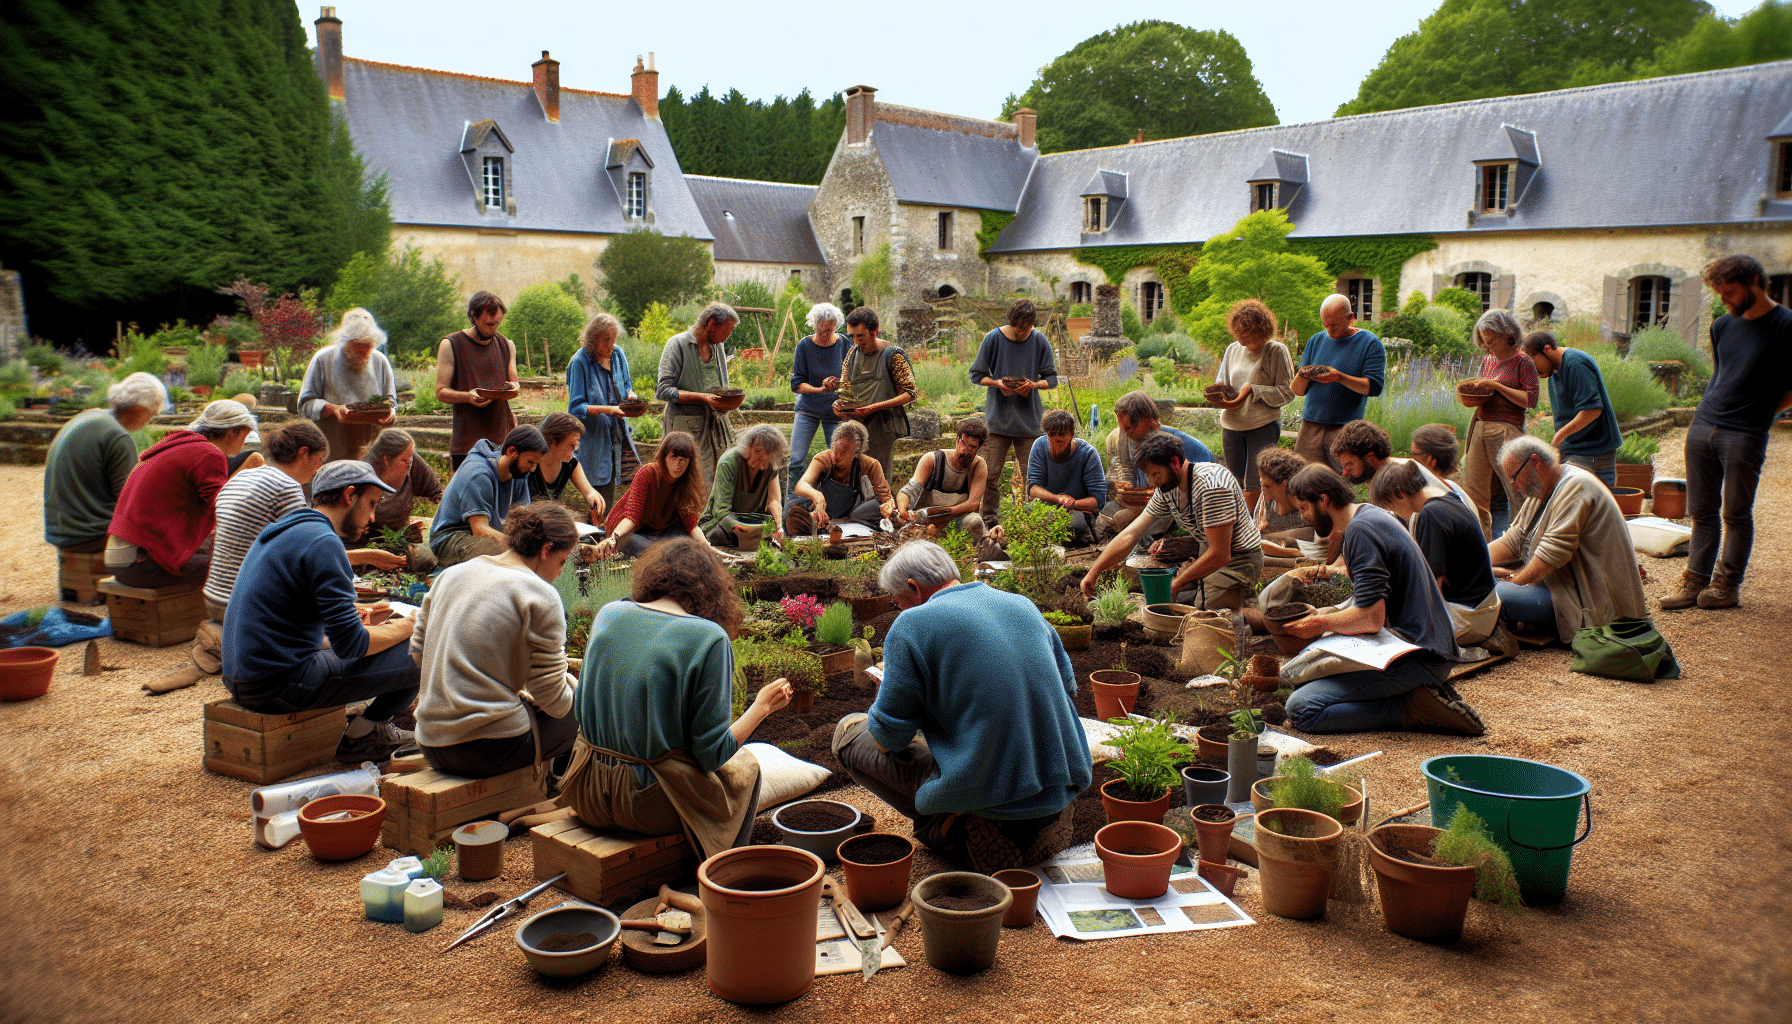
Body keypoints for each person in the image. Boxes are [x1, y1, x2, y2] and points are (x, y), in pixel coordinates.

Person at [833, 540, 1090, 872]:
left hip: (984, 789)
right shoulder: (1022, 605)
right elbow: (1067, 689)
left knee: (848, 732)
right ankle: (1037, 825)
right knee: (959, 731)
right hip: (1055, 788)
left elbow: (888, 740)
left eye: (898, 603)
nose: (899, 611)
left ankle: (952, 826)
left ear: (913, 587)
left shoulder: (911, 626)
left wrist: (890, 694)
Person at [564, 538, 792, 859]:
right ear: (712, 590)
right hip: (643, 807)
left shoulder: (609, 613)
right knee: (745, 768)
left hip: (585, 790)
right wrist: (761, 708)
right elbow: (711, 755)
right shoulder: (706, 638)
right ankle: (720, 868)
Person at [222, 460, 420, 764]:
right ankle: (365, 735)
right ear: (349, 495)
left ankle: (364, 724)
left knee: (394, 637)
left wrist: (360, 615)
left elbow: (295, 612)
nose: (372, 516)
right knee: (425, 647)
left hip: (243, 678)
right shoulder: (324, 542)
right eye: (371, 503)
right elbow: (351, 645)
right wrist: (411, 627)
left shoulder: (289, 529)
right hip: (281, 685)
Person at [1277, 465, 1484, 736]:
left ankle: (1410, 707)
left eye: (1304, 508)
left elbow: (1370, 618)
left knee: (1302, 707)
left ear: (1323, 500)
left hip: (1420, 655)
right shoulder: (1369, 514)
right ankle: (1413, 693)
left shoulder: (1361, 532)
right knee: (1299, 671)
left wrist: (1318, 623)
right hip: (1418, 643)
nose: (1304, 518)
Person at [148, 422, 332, 696]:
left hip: (214, 599)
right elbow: (307, 555)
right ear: (304, 453)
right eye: (320, 460)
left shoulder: (243, 477)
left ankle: (221, 642)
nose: (319, 468)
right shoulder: (287, 488)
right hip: (243, 605)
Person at [1659, 254, 1792, 611]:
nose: (1724, 300)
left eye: (1730, 292)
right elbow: (1722, 376)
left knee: (1735, 513)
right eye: (1719, 293)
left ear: (1755, 284)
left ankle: (1726, 586)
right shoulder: (1722, 326)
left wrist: (1758, 414)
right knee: (1700, 511)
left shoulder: (1785, 326)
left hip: (1745, 433)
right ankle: (1693, 582)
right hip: (1703, 425)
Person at [412, 503, 581, 779]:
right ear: (546, 549)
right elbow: (553, 700)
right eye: (562, 562)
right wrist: (573, 688)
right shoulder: (540, 594)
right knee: (585, 710)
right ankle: (554, 787)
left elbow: (418, 653)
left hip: (430, 742)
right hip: (489, 750)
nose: (560, 573)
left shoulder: (450, 575)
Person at [1490, 436, 1649, 642]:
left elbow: (1548, 559)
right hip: (1554, 588)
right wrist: (1475, 563)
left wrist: (1512, 582)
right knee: (1480, 585)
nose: (1514, 486)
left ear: (1536, 463)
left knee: (1493, 595)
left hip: (1587, 605)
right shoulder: (1542, 488)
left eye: (1515, 477)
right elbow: (1512, 540)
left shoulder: (1577, 486)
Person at [1080, 431, 1262, 610]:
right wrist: (1095, 571)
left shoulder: (1211, 486)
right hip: (1210, 552)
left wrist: (1177, 583)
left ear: (1174, 462)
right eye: (1149, 476)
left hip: (1240, 557)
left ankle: (1255, 611)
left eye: (1156, 474)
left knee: (1208, 609)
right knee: (1182, 601)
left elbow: (1221, 554)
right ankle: (1222, 596)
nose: (1152, 482)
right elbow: (1131, 534)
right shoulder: (1167, 489)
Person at [105, 399, 255, 589]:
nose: (245, 443)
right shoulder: (209, 454)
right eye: (246, 434)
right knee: (245, 563)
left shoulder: (177, 445)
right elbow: (225, 509)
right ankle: (222, 618)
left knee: (214, 553)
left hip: (120, 558)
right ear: (234, 431)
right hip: (143, 564)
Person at [1369, 460, 1501, 646]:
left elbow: (1431, 589)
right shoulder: (1446, 497)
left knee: (1383, 630)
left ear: (1399, 494)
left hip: (1469, 616)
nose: (1394, 513)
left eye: (1389, 506)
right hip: (1484, 606)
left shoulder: (1431, 515)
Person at [43, 372, 165, 555]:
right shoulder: (117, 436)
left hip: (60, 529)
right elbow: (130, 503)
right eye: (152, 415)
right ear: (139, 409)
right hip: (89, 535)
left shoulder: (88, 417)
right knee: (176, 552)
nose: (149, 421)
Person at [969, 298, 1058, 525]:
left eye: (1027, 328)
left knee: (1034, 478)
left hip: (1030, 423)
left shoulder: (1039, 340)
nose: (1022, 332)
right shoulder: (993, 338)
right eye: (1019, 328)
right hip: (998, 421)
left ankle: (1033, 521)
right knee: (989, 475)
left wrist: (1033, 385)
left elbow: (1052, 379)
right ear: (1011, 322)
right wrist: (998, 383)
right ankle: (989, 521)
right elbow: (976, 375)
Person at [1460, 309, 1540, 539]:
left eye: (1492, 342)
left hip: (1507, 430)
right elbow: (1489, 388)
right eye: (1484, 343)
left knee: (1517, 490)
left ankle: (1521, 543)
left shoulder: (1523, 362)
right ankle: (1483, 547)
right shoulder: (1489, 360)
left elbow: (1530, 400)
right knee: (1475, 490)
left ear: (1508, 335)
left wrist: (1496, 386)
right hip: (1482, 426)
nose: (1488, 347)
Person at [1210, 298, 1296, 510]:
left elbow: (1288, 392)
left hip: (1262, 426)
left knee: (1256, 484)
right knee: (1235, 483)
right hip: (1232, 426)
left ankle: (1254, 529)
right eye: (1238, 336)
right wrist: (1219, 394)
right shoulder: (1232, 349)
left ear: (1262, 331)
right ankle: (1239, 525)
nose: (1241, 342)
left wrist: (1255, 390)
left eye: (1246, 336)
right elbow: (1222, 383)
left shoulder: (1276, 351)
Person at [1098, 389, 1215, 534]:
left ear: (1146, 419)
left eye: (1129, 428)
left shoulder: (1186, 445)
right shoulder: (1135, 441)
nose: (1126, 434)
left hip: (1180, 507)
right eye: (1123, 429)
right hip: (1155, 502)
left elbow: (1198, 494)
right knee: (1108, 517)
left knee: (1129, 523)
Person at [428, 425, 547, 568]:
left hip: (486, 533)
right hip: (451, 538)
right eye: (530, 462)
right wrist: (521, 548)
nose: (533, 469)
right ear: (511, 452)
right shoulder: (478, 474)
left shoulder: (520, 474)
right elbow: (480, 530)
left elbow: (524, 519)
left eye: (535, 464)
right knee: (504, 553)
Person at [1292, 293, 1385, 469]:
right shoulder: (1316, 341)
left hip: (1345, 427)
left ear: (1351, 319)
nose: (1330, 331)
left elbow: (1374, 387)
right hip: (1310, 425)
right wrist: (1302, 374)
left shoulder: (1370, 343)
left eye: (1335, 325)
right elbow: (1298, 390)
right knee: (1306, 480)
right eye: (1325, 324)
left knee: (1342, 480)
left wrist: (1340, 377)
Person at [299, 307, 398, 463]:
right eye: (359, 346)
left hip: (370, 448)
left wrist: (390, 412)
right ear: (346, 342)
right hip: (331, 447)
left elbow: (391, 402)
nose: (365, 352)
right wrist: (333, 409)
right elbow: (305, 405)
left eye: (368, 345)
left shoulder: (380, 361)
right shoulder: (323, 359)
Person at [1523, 330, 1621, 487]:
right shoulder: (1554, 371)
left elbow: (1592, 410)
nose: (1535, 372)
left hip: (1593, 452)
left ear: (1547, 349)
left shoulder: (1575, 363)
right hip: (1575, 451)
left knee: (1593, 507)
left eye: (1534, 365)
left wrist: (1559, 437)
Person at [656, 301, 740, 483]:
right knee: (687, 482)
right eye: (728, 330)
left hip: (716, 427)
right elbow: (663, 390)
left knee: (717, 479)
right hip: (685, 428)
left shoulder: (718, 347)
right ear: (711, 324)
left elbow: (721, 385)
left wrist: (727, 400)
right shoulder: (677, 344)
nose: (728, 336)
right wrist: (703, 398)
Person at [436, 291, 519, 470]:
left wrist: (513, 389)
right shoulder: (451, 344)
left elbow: (514, 386)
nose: (494, 329)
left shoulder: (506, 345)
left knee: (502, 497)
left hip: (502, 442)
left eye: (498, 323)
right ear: (474, 316)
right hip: (467, 445)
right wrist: (468, 397)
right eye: (489, 324)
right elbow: (441, 392)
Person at [565, 312, 640, 509]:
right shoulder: (580, 362)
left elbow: (627, 385)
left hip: (618, 436)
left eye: (614, 339)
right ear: (593, 339)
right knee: (598, 499)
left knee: (620, 496)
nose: (611, 345)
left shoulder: (618, 355)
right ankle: (597, 535)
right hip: (594, 442)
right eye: (606, 340)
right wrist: (609, 409)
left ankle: (609, 533)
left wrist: (631, 396)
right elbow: (575, 407)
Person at [594, 431, 709, 557]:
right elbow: (632, 517)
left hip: (661, 532)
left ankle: (667, 552)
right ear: (664, 457)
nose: (677, 465)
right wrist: (613, 537)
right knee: (634, 542)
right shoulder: (648, 473)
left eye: (682, 460)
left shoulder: (688, 481)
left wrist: (706, 546)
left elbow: (691, 525)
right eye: (673, 458)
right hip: (631, 531)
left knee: (687, 541)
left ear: (689, 462)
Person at [344, 428, 444, 574]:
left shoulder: (410, 462)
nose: (409, 464)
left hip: (399, 544)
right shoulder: (359, 473)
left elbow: (439, 494)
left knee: (428, 558)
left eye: (410, 460)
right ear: (385, 460)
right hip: (360, 548)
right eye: (404, 460)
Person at [835, 306, 916, 483]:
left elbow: (909, 393)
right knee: (852, 478)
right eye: (852, 336)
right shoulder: (852, 353)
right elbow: (845, 386)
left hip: (883, 427)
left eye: (860, 336)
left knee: (878, 480)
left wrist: (873, 407)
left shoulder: (893, 355)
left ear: (875, 331)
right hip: (855, 427)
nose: (856, 341)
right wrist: (839, 405)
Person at [784, 420, 896, 537]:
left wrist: (888, 506)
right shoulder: (823, 459)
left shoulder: (870, 464)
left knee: (866, 513)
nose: (836, 455)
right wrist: (817, 496)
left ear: (856, 452)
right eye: (834, 448)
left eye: (843, 452)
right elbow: (801, 485)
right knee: (791, 508)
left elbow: (886, 498)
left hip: (848, 514)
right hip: (823, 509)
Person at [1330, 419, 1471, 510]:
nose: (1344, 473)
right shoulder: (1385, 472)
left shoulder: (1394, 479)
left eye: (1349, 465)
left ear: (1370, 457)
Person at [896, 417, 989, 538]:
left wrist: (943, 513)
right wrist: (902, 509)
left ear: (978, 448)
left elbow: (973, 504)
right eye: (962, 443)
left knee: (975, 522)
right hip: (925, 522)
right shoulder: (933, 459)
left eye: (971, 447)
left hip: (956, 521)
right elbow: (910, 489)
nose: (963, 451)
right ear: (957, 440)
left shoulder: (978, 465)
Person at [698, 424, 789, 549]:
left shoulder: (770, 466)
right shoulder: (728, 462)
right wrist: (748, 531)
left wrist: (779, 527)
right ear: (747, 446)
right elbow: (721, 512)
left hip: (753, 525)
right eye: (756, 450)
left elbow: (774, 501)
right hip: (721, 525)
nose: (760, 456)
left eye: (765, 453)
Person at [1026, 409, 1107, 547]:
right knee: (1028, 516)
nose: (1058, 438)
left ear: (1071, 434)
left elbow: (1098, 500)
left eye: (1062, 434)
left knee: (1074, 524)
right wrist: (1059, 498)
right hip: (1049, 506)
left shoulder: (1088, 454)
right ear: (1046, 434)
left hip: (1079, 510)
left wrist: (1073, 504)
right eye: (1052, 434)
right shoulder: (1039, 446)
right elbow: (1033, 489)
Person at [788, 302, 846, 479]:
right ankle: (795, 500)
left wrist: (839, 384)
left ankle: (831, 501)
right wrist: (820, 389)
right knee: (796, 460)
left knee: (838, 461)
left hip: (835, 410)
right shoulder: (804, 346)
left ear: (835, 327)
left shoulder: (844, 344)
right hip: (808, 408)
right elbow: (797, 383)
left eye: (828, 330)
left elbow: (851, 376)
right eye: (819, 330)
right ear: (814, 326)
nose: (823, 334)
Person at [1256, 445, 1338, 566]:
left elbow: (1323, 558)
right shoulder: (1270, 500)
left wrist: (1291, 553)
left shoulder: (1314, 503)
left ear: (1284, 485)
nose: (1266, 495)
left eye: (1268, 486)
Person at [527, 411, 608, 521]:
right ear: (554, 440)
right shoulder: (530, 462)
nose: (576, 448)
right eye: (572, 444)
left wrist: (594, 497)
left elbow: (588, 491)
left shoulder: (570, 463)